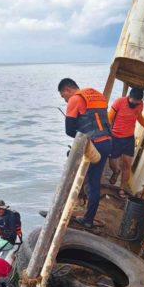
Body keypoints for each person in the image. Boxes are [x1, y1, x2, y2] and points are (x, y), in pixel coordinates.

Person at [58, 78, 113, 229]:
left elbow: (70, 131)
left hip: (93, 145)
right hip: (107, 141)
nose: (65, 101)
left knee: (84, 180)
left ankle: (79, 217)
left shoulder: (74, 100)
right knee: (93, 181)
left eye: (64, 97)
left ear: (66, 90)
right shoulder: (96, 95)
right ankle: (87, 215)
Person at [107, 88, 144, 198]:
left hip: (129, 139)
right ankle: (116, 172)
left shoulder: (140, 105)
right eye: (132, 100)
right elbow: (109, 118)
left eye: (137, 101)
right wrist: (108, 133)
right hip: (115, 137)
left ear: (140, 100)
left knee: (127, 165)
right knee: (112, 163)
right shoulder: (119, 102)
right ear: (129, 97)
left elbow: (138, 116)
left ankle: (122, 189)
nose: (134, 103)